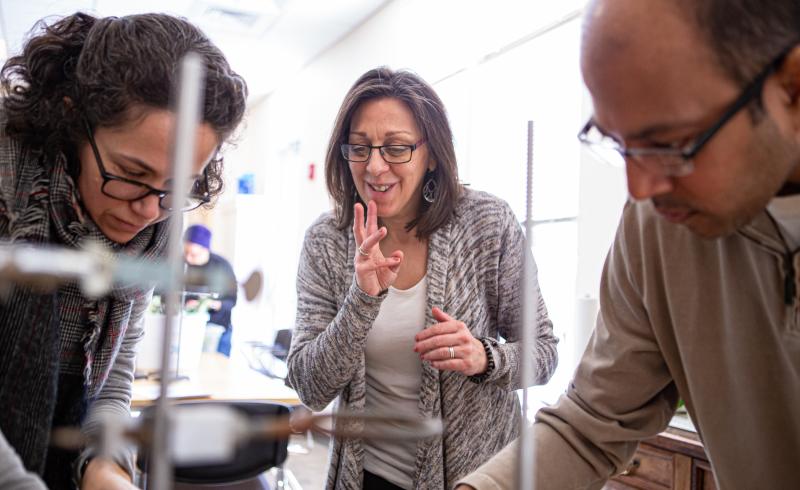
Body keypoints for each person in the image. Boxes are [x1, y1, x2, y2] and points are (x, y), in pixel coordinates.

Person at [456, 0, 800, 488]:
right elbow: (590, 424)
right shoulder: (656, 226)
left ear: (792, 88)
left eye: (669, 145)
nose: (639, 189)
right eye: (618, 143)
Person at [0, 12, 247, 490]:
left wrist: (108, 469)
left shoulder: (159, 225)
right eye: (130, 175)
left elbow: (112, 378)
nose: (149, 210)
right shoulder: (8, 184)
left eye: (176, 187)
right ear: (72, 119)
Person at [286, 67, 558, 490]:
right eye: (360, 148)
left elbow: (544, 354)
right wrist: (362, 299)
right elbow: (310, 387)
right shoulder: (326, 240)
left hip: (481, 476)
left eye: (396, 148)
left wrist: (484, 357)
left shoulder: (487, 223)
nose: (375, 167)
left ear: (431, 154)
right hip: (368, 477)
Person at [183, 224, 238, 357]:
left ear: (206, 249)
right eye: (186, 252)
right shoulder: (180, 264)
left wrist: (212, 304)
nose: (188, 258)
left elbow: (231, 300)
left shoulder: (222, 267)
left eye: (193, 254)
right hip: (187, 330)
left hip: (217, 331)